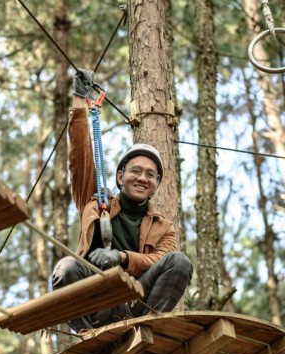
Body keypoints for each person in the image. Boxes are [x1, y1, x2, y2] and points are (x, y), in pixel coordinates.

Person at [51, 69, 193, 332]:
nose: (142, 178)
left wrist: (122, 257)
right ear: (120, 176)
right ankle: (87, 334)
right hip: (98, 303)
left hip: (136, 303)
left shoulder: (164, 227)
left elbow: (158, 261)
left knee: (180, 262)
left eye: (151, 175)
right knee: (66, 267)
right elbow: (80, 158)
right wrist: (80, 102)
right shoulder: (94, 203)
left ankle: (146, 326)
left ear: (156, 186)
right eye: (135, 171)